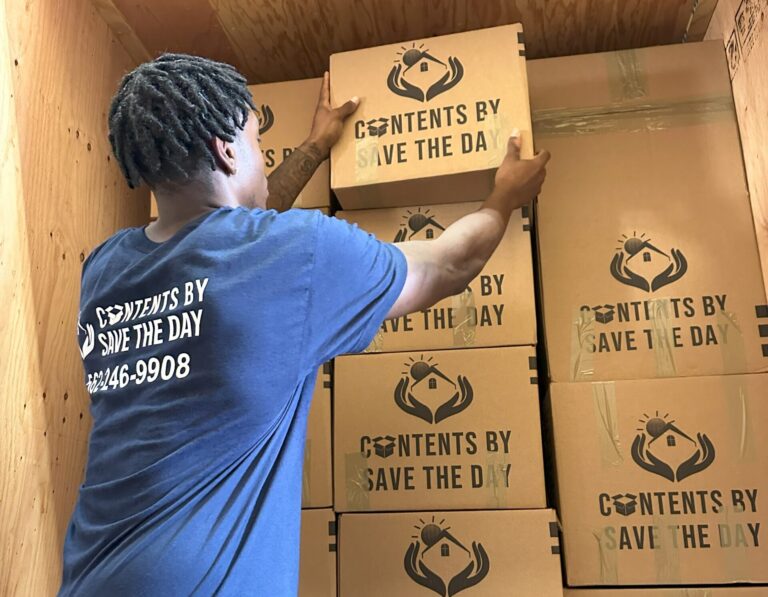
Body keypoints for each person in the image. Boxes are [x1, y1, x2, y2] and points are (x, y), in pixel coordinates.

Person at [60, 53, 549, 596]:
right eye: (258, 146)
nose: (264, 162)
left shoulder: (104, 270)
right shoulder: (297, 254)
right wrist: (506, 196)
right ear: (226, 151)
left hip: (89, 576)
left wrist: (315, 148)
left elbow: (239, 242)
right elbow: (449, 264)